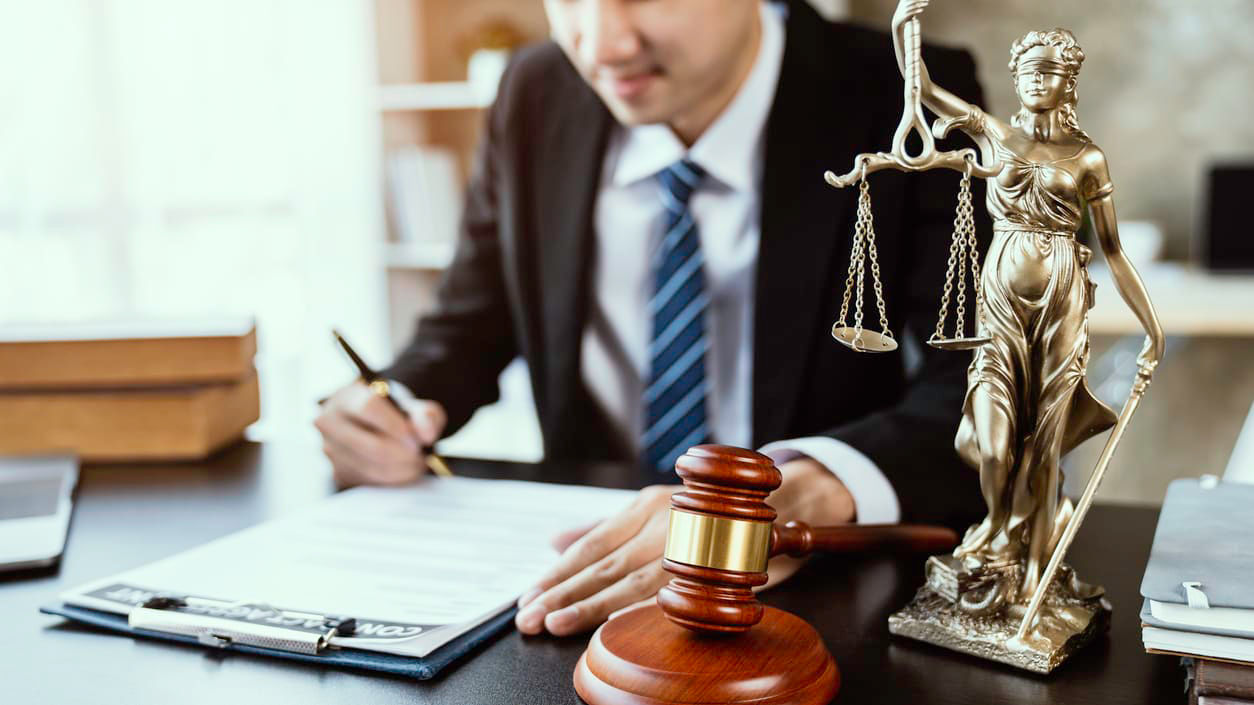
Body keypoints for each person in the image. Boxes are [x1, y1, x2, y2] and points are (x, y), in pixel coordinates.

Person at [316, 0, 990, 637]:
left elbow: (983, 384)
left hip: (810, 596)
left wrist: (808, 490)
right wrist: (395, 401)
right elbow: (470, 324)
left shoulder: (908, 92)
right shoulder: (534, 87)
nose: (601, 44)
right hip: (578, 572)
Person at [889, 0, 1164, 603]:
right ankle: (996, 523)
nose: (1038, 82)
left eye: (1049, 72)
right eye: (1029, 72)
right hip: (999, 299)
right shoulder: (995, 133)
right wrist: (903, 28)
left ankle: (1034, 556)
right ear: (1016, 79)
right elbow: (924, 89)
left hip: (1063, 297)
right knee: (994, 438)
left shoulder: (1088, 157)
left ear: (1069, 82)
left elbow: (1114, 251)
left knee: (1045, 435)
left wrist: (1153, 328)